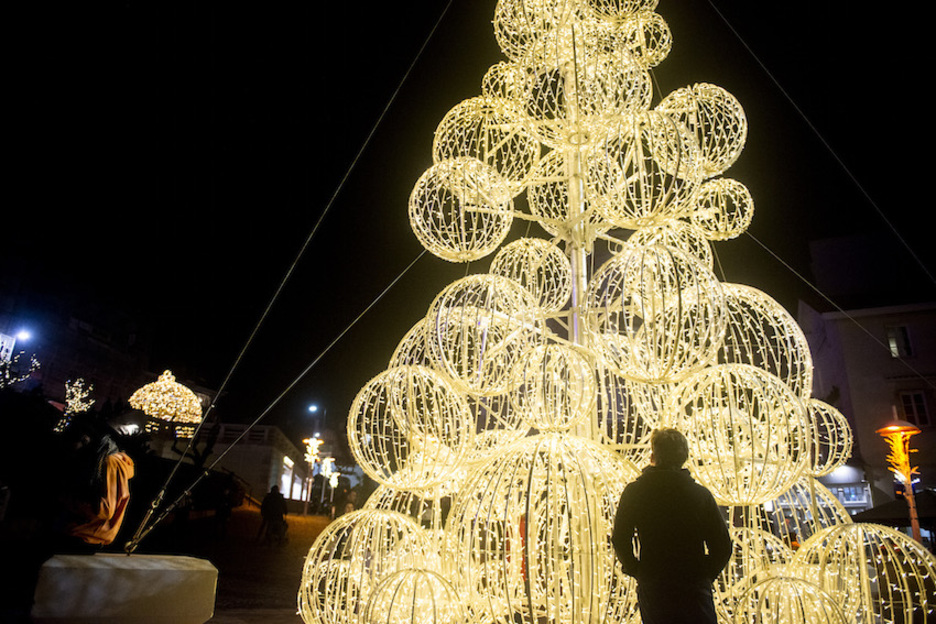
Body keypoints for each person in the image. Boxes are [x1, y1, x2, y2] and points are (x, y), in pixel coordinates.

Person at [612, 428, 731, 624]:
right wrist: (703, 575)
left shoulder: (635, 492)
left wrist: (638, 571)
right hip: (694, 585)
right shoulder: (700, 495)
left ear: (653, 455)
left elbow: (620, 538)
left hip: (655, 585)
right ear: (684, 457)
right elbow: (722, 546)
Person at [51, 409, 142, 552]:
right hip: (81, 534)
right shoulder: (99, 459)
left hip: (85, 536)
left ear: (86, 439)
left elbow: (104, 510)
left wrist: (68, 501)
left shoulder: (109, 462)